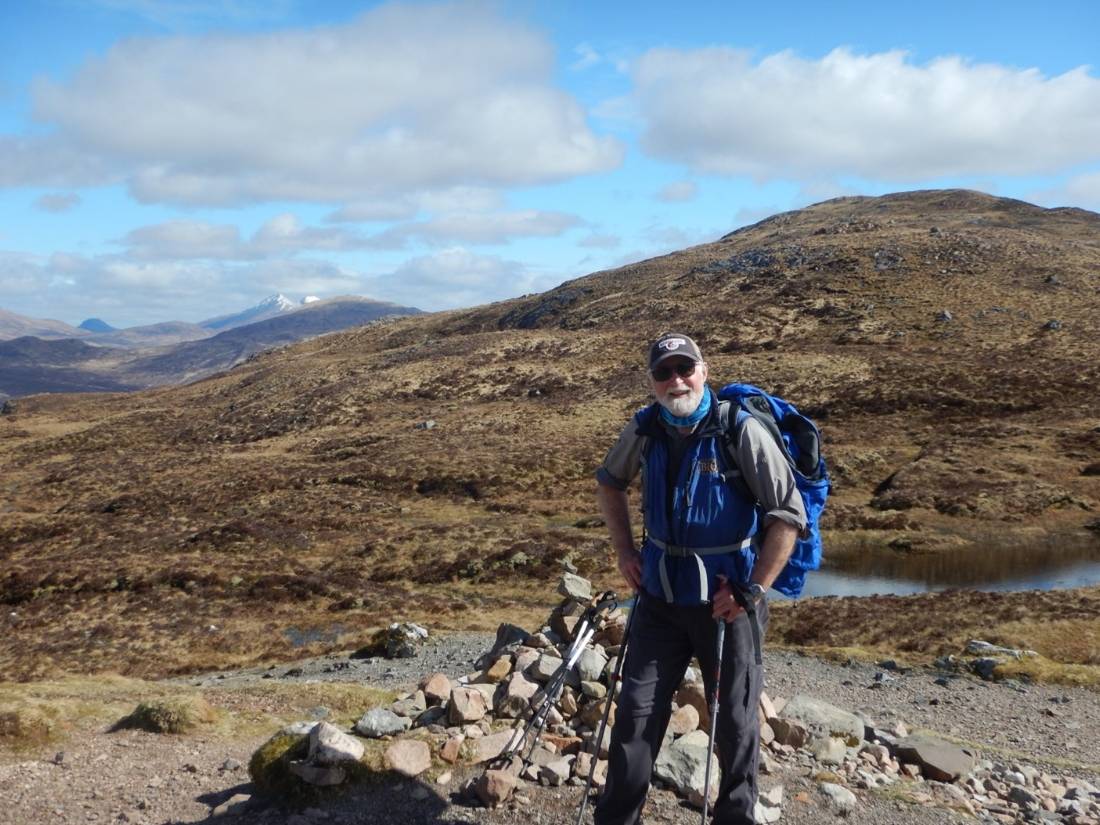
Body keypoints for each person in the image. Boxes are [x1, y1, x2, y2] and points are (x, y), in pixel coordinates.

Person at [593, 332, 807, 825]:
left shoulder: (740, 431)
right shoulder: (645, 429)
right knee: (635, 718)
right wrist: (626, 551)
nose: (676, 380)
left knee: (734, 724)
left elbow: (787, 516)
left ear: (704, 372)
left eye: (684, 368)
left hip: (727, 607)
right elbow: (609, 482)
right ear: (651, 382)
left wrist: (753, 590)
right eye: (664, 373)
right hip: (659, 600)